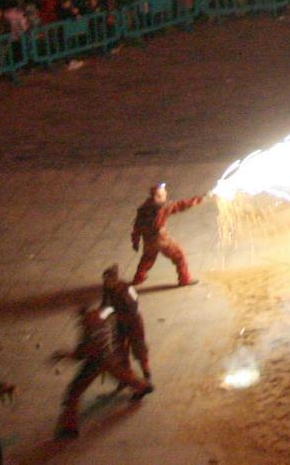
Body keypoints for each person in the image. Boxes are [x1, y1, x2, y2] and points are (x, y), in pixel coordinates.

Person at [52, 306, 151, 438]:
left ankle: (70, 427)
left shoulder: (89, 326)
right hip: (109, 357)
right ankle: (143, 387)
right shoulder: (102, 317)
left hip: (96, 361)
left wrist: (64, 355)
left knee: (74, 392)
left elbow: (83, 353)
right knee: (123, 375)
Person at [130, 183, 206, 286]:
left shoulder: (143, 208)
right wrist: (199, 199)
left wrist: (135, 241)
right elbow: (180, 205)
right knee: (179, 255)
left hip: (148, 241)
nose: (166, 196)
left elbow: (137, 227)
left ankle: (138, 278)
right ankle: (185, 279)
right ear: (158, 196)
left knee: (147, 258)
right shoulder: (163, 207)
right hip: (161, 240)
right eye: (164, 194)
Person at [102, 265, 151, 380]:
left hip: (133, 323)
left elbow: (133, 307)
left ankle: (146, 372)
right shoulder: (107, 289)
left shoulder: (127, 289)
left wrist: (114, 312)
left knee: (139, 347)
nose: (106, 282)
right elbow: (105, 304)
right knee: (120, 348)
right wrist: (101, 315)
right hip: (120, 323)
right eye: (105, 280)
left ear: (115, 279)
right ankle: (126, 375)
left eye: (108, 280)